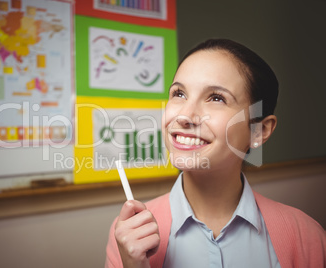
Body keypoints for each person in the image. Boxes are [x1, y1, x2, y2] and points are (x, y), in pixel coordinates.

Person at [105, 39, 326, 268]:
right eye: (179, 93)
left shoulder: (306, 236)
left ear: (258, 130)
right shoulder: (128, 236)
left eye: (217, 98)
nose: (184, 116)